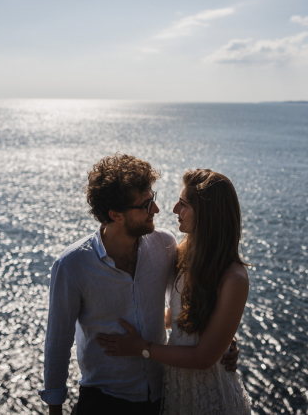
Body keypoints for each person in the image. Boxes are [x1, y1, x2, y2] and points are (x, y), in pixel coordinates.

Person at [39, 155, 238, 415]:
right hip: (103, 401)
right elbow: (57, 344)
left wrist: (223, 337)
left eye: (152, 199)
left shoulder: (164, 246)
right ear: (115, 214)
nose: (156, 210)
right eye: (146, 205)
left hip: (163, 397)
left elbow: (187, 303)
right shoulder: (72, 265)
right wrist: (55, 410)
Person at [97, 169, 252, 414]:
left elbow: (203, 358)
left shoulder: (234, 278)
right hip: (176, 391)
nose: (174, 209)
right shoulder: (181, 253)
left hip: (212, 398)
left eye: (184, 204)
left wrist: (141, 347)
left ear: (208, 214)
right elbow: (180, 315)